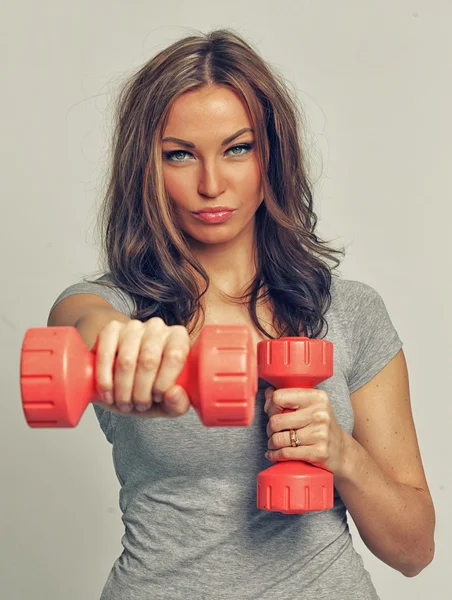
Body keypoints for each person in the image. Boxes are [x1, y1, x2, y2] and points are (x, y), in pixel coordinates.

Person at [48, 28, 435, 600]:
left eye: (237, 148)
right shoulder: (119, 306)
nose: (211, 184)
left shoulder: (349, 311)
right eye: (179, 154)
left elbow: (414, 551)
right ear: (147, 169)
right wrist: (122, 342)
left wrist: (342, 454)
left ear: (272, 155)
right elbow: (77, 323)